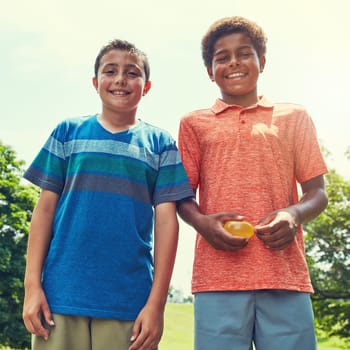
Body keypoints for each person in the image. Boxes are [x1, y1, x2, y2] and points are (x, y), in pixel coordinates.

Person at [22, 39, 194, 350]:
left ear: (147, 85)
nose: (120, 79)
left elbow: (167, 222)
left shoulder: (160, 143)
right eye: (110, 71)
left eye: (132, 73)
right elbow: (44, 211)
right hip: (60, 298)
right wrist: (32, 286)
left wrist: (156, 305)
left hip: (129, 301)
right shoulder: (67, 132)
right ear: (95, 82)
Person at [177, 16, 328, 350]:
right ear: (209, 70)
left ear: (262, 61)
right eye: (221, 57)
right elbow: (181, 196)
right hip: (216, 279)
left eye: (244, 53)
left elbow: (317, 193)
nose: (233, 62)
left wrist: (293, 215)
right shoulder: (193, 124)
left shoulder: (294, 117)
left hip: (284, 275)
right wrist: (202, 223)